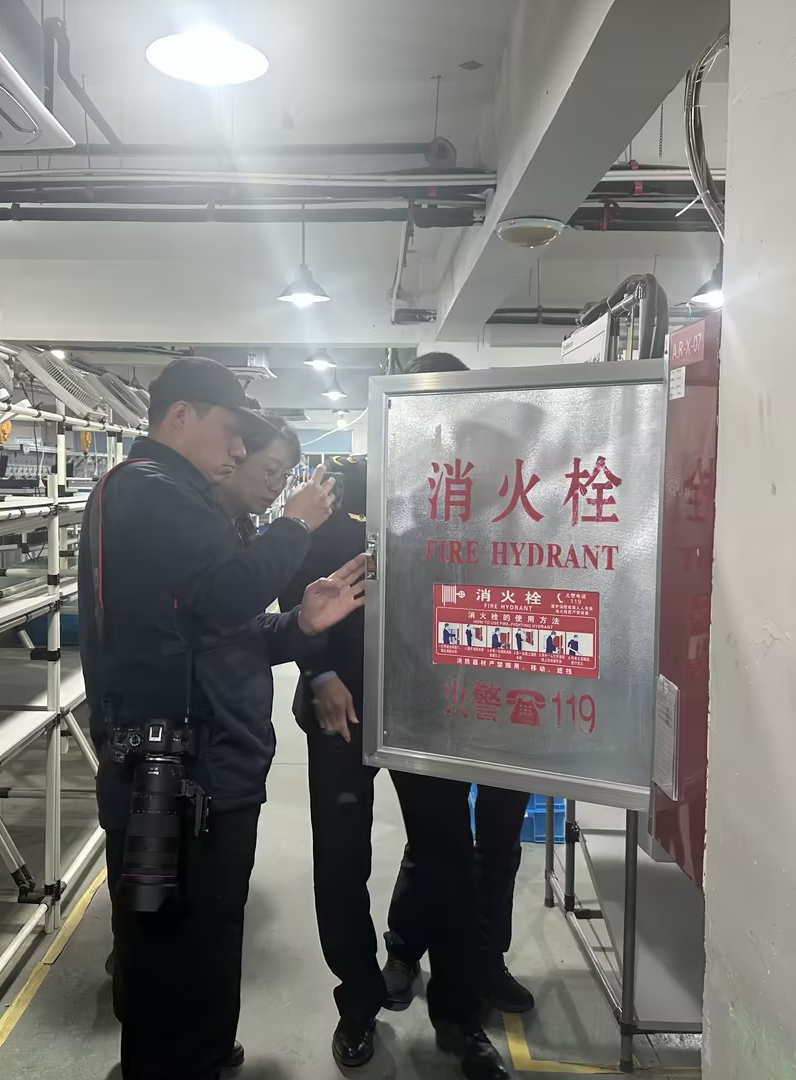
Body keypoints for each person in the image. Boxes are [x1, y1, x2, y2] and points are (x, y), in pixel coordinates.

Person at [79, 357, 366, 1080]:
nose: (239, 450)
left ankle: (202, 1051)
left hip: (199, 768)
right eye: (231, 431)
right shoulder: (150, 491)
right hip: (180, 775)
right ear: (182, 415)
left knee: (201, 934)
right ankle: (177, 1061)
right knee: (174, 943)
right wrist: (294, 526)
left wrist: (300, 623)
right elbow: (231, 596)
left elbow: (222, 628)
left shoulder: (176, 498)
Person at [282, 354, 513, 1080]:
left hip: (430, 706)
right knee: (341, 863)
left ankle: (458, 1016)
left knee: (449, 856)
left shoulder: (472, 495)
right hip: (341, 708)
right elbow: (296, 593)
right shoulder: (342, 488)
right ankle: (357, 1004)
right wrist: (319, 673)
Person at [380, 352, 537, 1022]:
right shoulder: (409, 509)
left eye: (492, 443)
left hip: (507, 704)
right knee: (435, 840)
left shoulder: (529, 513)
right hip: (431, 703)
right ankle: (404, 949)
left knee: (499, 843)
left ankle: (485, 959)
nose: (480, 454)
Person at [209, 413, 302, 538]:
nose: (276, 487)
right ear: (235, 457)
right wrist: (295, 526)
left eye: (285, 475)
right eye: (270, 469)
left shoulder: (241, 524)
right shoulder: (197, 522)